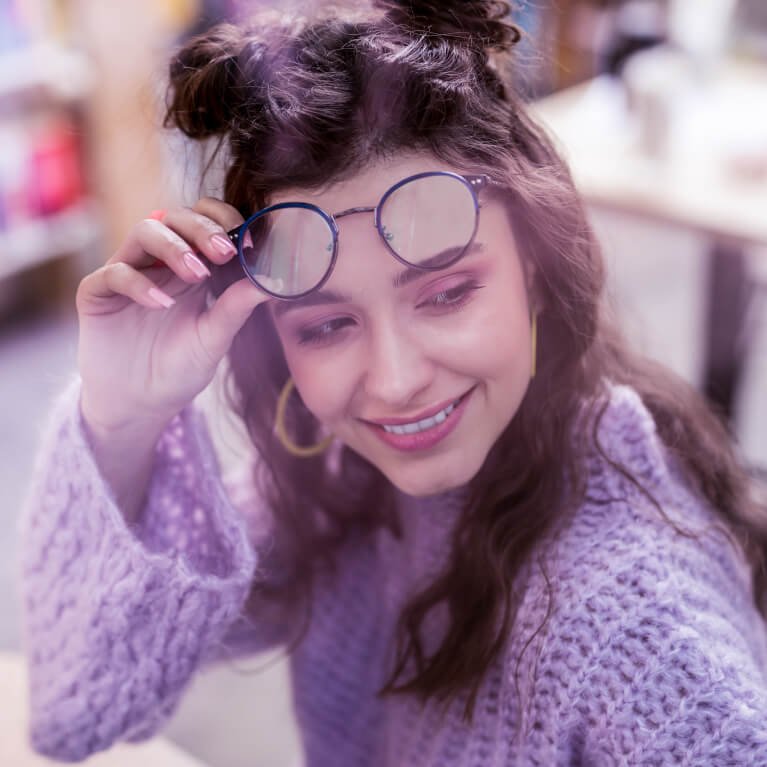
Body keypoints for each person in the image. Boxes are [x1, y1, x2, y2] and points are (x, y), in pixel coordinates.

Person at [18, 1, 767, 764]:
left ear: (539, 266)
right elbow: (76, 709)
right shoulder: (337, 482)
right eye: (326, 325)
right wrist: (123, 414)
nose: (396, 380)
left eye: (447, 294)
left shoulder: (643, 629)